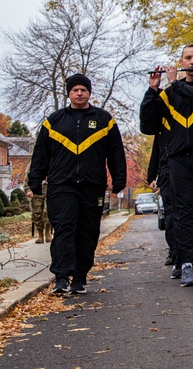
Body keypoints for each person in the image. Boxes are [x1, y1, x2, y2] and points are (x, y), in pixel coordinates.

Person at [29, 74, 127, 294]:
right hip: (61, 185)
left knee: (88, 232)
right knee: (64, 229)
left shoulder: (104, 120)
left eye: (83, 89)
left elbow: (116, 153)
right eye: (75, 90)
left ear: (89, 93)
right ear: (69, 93)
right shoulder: (53, 121)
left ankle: (80, 279)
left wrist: (118, 179)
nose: (80, 93)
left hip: (92, 185)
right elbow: (40, 154)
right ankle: (61, 278)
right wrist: (35, 180)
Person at [141, 45, 193, 286]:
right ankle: (186, 262)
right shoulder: (168, 94)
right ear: (181, 60)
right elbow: (148, 125)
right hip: (179, 160)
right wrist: (153, 90)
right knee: (183, 211)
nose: (192, 62)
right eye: (188, 58)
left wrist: (175, 83)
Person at [147, 130, 177, 267]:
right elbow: (155, 154)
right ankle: (174, 250)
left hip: (186, 170)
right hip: (166, 174)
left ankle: (188, 252)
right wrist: (151, 177)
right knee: (170, 215)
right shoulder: (161, 129)